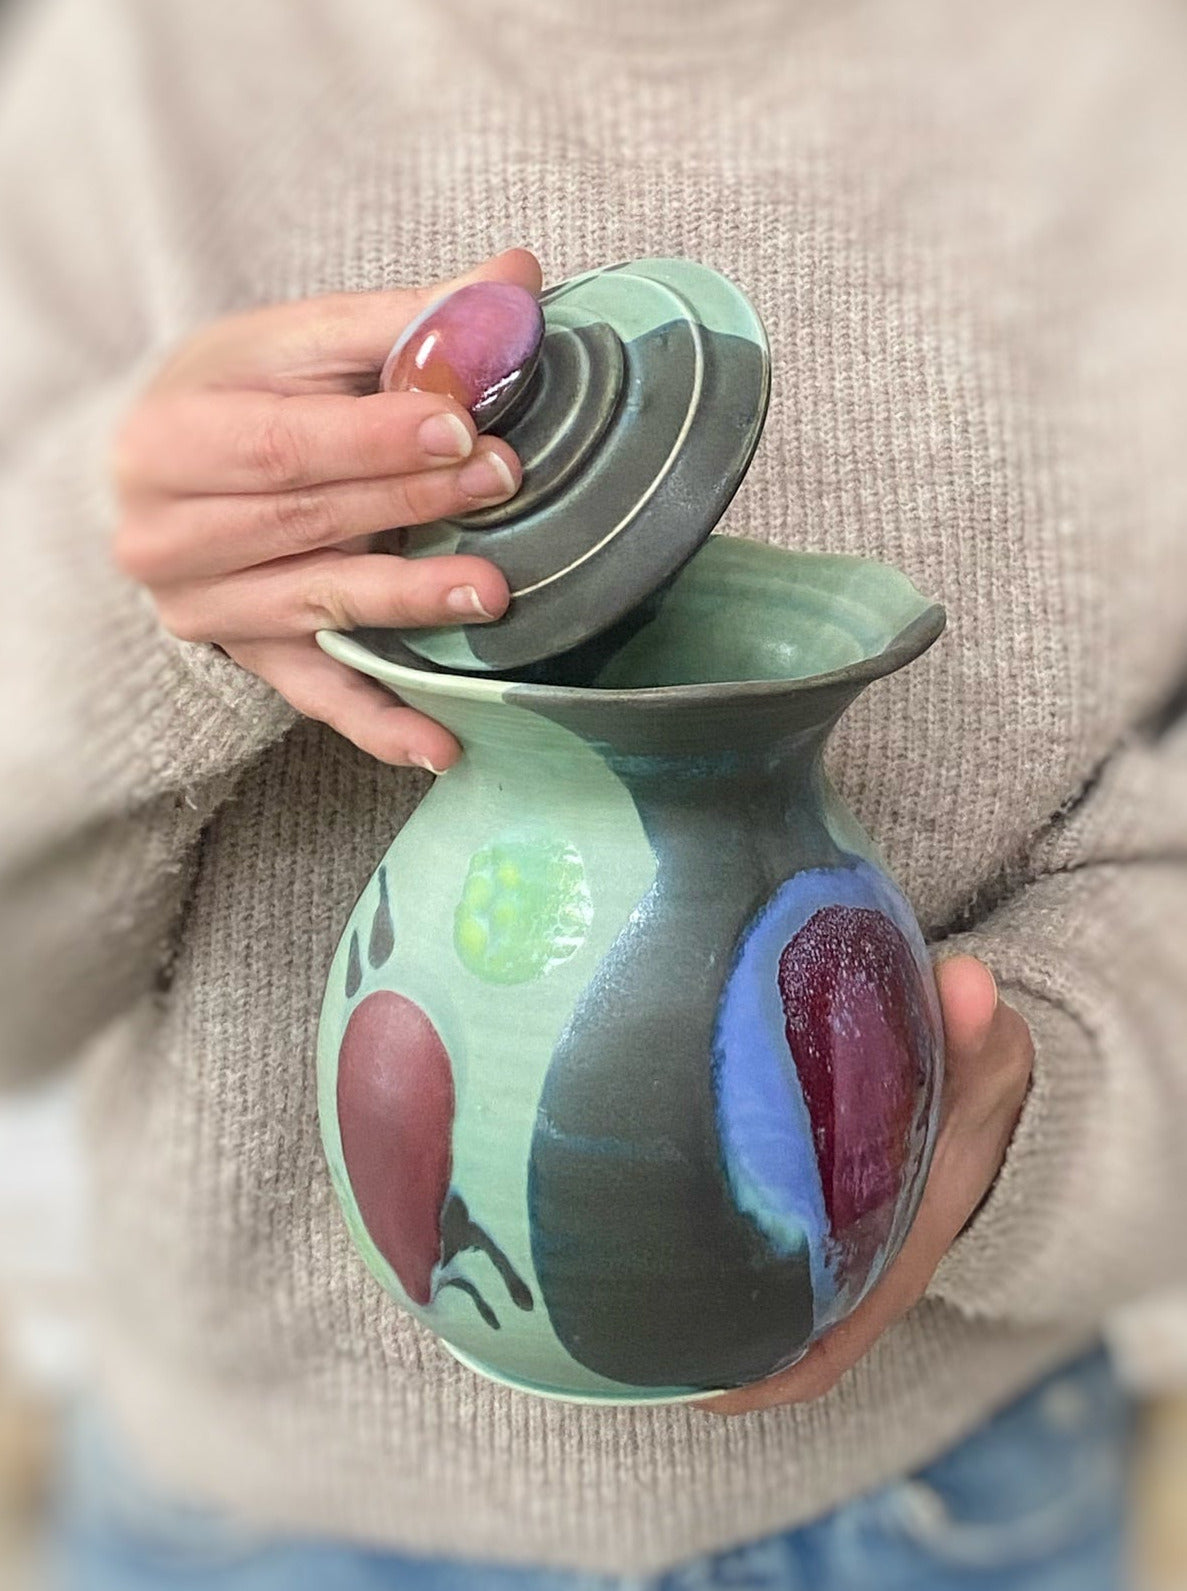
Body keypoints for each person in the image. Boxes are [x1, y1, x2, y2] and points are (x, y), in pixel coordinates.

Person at [0, 0, 1184, 1586]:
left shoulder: (1131, 94)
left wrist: (1038, 1095)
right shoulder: (151, 67)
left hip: (949, 1509)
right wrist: (114, 591)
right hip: (258, 1528)